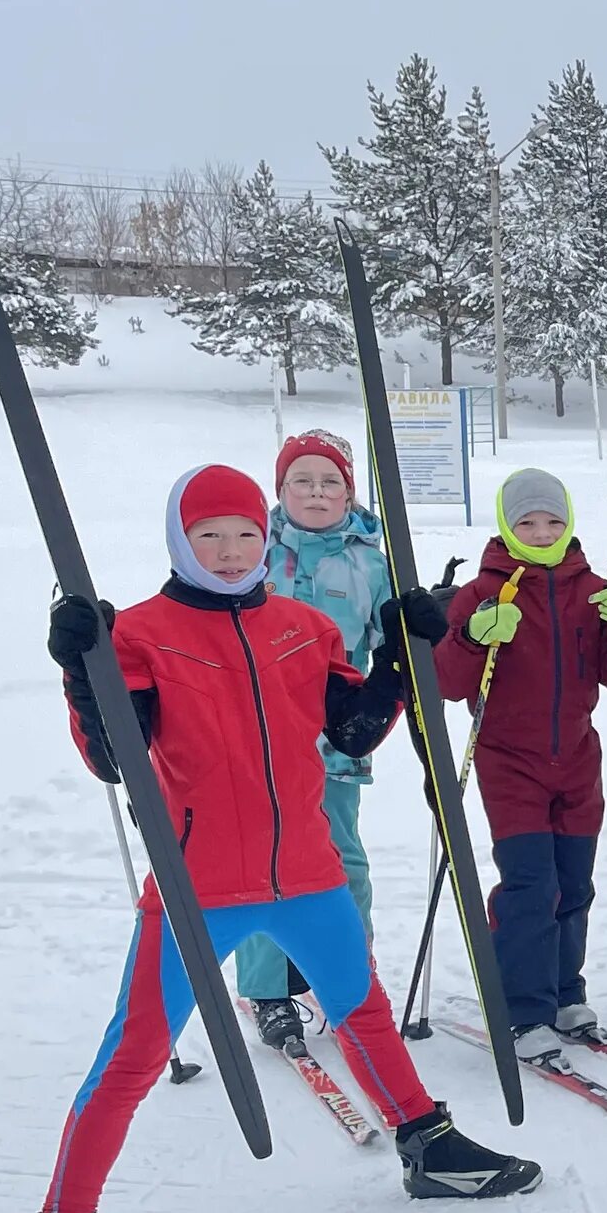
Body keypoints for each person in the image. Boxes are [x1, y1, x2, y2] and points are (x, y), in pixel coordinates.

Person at [12, 464, 540, 1213]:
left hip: (306, 870)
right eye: (209, 535)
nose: (229, 552)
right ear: (182, 540)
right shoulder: (135, 632)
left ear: (266, 540)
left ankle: (429, 1147)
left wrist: (404, 655)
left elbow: (352, 731)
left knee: (363, 1012)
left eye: (245, 535)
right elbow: (115, 757)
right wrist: (81, 669)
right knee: (132, 1056)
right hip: (195, 885)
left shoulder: (301, 627)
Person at [434, 470, 607, 1060]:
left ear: (570, 523)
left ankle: (565, 994)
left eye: (552, 521)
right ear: (507, 525)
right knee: (531, 886)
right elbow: (447, 683)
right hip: (508, 761)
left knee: (574, 885)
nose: (541, 532)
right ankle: (523, 1009)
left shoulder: (594, 590)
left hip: (579, 760)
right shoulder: (484, 590)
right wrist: (472, 635)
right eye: (527, 522)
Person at [235, 431, 397, 1055]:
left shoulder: (372, 561)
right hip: (254, 741)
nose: (317, 492)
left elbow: (391, 642)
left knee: (342, 861)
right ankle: (268, 990)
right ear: (280, 490)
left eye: (330, 481)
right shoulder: (251, 550)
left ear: (349, 490)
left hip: (335, 737)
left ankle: (347, 975)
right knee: (261, 864)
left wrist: (421, 626)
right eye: (302, 480)